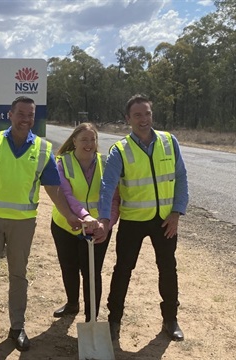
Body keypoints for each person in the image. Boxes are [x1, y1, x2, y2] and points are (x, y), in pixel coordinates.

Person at [0, 96, 86, 352]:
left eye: (30, 115)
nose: (26, 119)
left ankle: (17, 327)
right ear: (10, 114)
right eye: (21, 113)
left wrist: (71, 215)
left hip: (23, 223)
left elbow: (54, 189)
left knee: (18, 276)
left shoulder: (42, 149)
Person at [98, 94, 189, 342]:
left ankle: (170, 319)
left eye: (147, 113)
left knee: (168, 268)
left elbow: (181, 177)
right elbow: (107, 187)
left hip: (165, 220)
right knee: (123, 270)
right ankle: (114, 320)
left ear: (152, 114)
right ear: (128, 119)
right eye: (137, 115)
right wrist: (104, 220)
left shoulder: (169, 142)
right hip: (133, 221)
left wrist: (177, 212)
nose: (143, 119)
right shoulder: (119, 150)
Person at [51, 123, 119, 321]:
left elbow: (114, 198)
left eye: (92, 139)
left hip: (98, 229)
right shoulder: (63, 162)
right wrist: (85, 216)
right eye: (84, 140)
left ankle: (92, 318)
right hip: (66, 225)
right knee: (69, 267)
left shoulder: (106, 164)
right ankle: (72, 304)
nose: (89, 144)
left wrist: (107, 224)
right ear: (74, 141)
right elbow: (67, 195)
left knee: (92, 272)